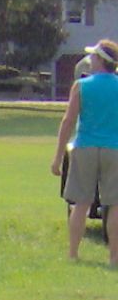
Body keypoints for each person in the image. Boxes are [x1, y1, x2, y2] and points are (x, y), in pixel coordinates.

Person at [52, 37, 118, 264]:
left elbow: (68, 121)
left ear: (100, 60)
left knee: (81, 203)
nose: (90, 60)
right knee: (115, 205)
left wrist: (58, 156)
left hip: (86, 147)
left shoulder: (81, 86)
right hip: (114, 149)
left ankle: (73, 253)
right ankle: (114, 257)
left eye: (93, 56)